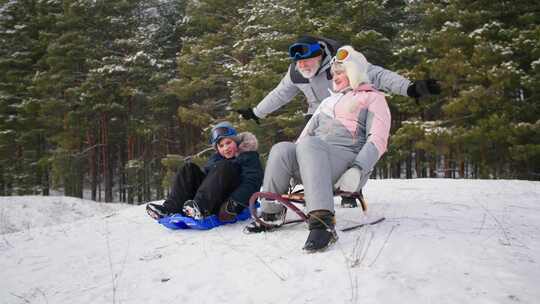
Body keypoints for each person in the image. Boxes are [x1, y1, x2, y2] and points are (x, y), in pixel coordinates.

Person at [245, 46, 392, 252]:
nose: (335, 77)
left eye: (340, 72)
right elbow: (304, 137)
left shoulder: (372, 98)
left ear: (354, 71)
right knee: (282, 149)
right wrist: (291, 161)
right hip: (313, 157)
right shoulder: (327, 102)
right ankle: (271, 213)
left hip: (346, 161)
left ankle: (322, 223)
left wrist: (358, 169)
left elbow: (378, 139)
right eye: (333, 73)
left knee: (309, 145)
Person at [237, 35, 440, 124]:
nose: (303, 66)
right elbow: (280, 94)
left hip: (347, 111)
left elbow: (377, 75)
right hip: (317, 113)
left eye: (307, 61)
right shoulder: (296, 72)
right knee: (306, 145)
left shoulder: (342, 61)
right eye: (299, 63)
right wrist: (257, 112)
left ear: (319, 55)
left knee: (344, 144)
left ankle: (351, 188)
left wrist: (410, 88)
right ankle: (311, 183)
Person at [146, 121, 263, 222]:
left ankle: (200, 208)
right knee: (188, 168)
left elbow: (252, 182)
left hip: (230, 201)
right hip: (213, 197)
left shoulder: (248, 156)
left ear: (236, 142)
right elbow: (207, 180)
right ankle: (170, 209)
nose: (225, 148)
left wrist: (234, 203)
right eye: (221, 146)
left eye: (228, 143)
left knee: (226, 166)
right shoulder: (217, 159)